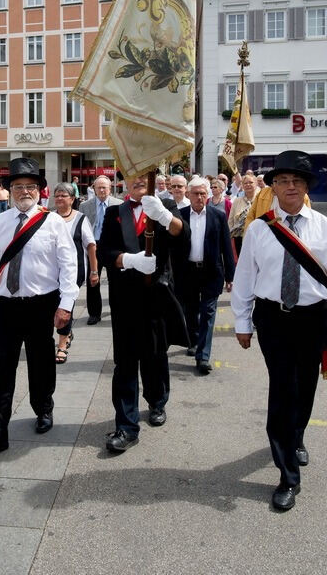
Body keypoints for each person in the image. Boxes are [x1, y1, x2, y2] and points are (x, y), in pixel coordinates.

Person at [231, 150, 327, 511]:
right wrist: (241, 321)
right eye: (283, 180)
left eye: (297, 181)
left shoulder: (326, 228)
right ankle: (287, 475)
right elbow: (245, 277)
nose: (290, 186)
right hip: (274, 319)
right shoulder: (258, 229)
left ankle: (296, 436)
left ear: (307, 187)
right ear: (274, 188)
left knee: (306, 386)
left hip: (314, 319)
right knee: (283, 389)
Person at [0, 157, 79, 456]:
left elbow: (70, 267)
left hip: (42, 303)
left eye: (31, 186)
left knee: (41, 360)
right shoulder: (0, 222)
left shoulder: (54, 222)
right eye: (18, 187)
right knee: (3, 366)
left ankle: (43, 407)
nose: (24, 192)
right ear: (10, 190)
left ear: (40, 191)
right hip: (6, 305)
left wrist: (66, 305)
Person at [98, 173, 190, 453]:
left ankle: (157, 400)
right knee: (124, 362)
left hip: (155, 297)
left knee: (154, 355)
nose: (139, 181)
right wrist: (128, 259)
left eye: (143, 176)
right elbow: (104, 252)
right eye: (132, 177)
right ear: (125, 185)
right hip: (124, 298)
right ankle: (126, 426)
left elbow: (182, 236)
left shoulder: (166, 207)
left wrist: (162, 215)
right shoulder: (116, 212)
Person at [180, 177, 235, 374]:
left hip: (212, 272)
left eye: (204, 194)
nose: (200, 197)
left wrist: (230, 276)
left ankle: (203, 356)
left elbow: (226, 248)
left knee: (208, 313)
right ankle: (194, 342)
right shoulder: (180, 216)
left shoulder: (217, 216)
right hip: (188, 272)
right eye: (196, 193)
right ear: (189, 195)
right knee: (191, 311)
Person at [53, 182, 99, 363]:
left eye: (63, 195)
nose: (59, 198)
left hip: (75, 270)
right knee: (53, 304)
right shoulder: (49, 217)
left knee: (66, 304)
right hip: (52, 271)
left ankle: (62, 344)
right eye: (56, 195)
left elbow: (91, 246)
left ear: (72, 199)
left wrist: (94, 271)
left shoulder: (81, 219)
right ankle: (67, 332)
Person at [79, 175, 122, 325]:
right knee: (92, 280)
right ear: (94, 189)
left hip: (112, 247)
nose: (102, 190)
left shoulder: (119, 204)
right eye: (99, 187)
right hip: (93, 246)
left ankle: (116, 310)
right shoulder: (85, 206)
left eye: (105, 187)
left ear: (110, 189)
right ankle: (94, 313)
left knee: (115, 280)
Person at [228, 173, 260, 255]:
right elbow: (231, 221)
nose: (248, 185)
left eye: (251, 182)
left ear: (256, 184)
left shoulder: (261, 200)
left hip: (257, 238)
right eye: (245, 183)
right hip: (239, 239)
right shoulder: (237, 201)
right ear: (242, 185)